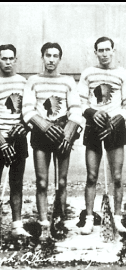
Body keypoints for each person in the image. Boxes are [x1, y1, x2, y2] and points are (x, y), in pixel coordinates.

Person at [22, 42, 82, 241]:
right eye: (48, 55)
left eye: (55, 56)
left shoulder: (68, 81)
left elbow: (75, 109)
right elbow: (28, 111)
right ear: (42, 57)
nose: (51, 59)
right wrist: (45, 126)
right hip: (41, 132)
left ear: (60, 59)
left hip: (63, 131)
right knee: (41, 182)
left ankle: (60, 219)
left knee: (62, 181)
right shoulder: (33, 81)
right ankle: (43, 223)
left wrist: (67, 132)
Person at [78, 36, 126, 235]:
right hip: (94, 126)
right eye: (100, 50)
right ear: (95, 53)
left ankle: (117, 218)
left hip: (115, 127)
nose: (104, 54)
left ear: (113, 50)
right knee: (92, 176)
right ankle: (89, 219)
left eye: (107, 49)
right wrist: (92, 114)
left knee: (117, 176)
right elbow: (81, 102)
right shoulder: (88, 73)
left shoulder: (123, 74)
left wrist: (117, 119)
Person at [0, 44, 31, 238]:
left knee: (16, 182)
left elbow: (29, 112)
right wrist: (2, 142)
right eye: (4, 58)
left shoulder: (23, 82)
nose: (8, 62)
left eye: (11, 58)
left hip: (18, 138)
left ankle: (17, 225)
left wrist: (25, 128)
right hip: (0, 138)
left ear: (16, 60)